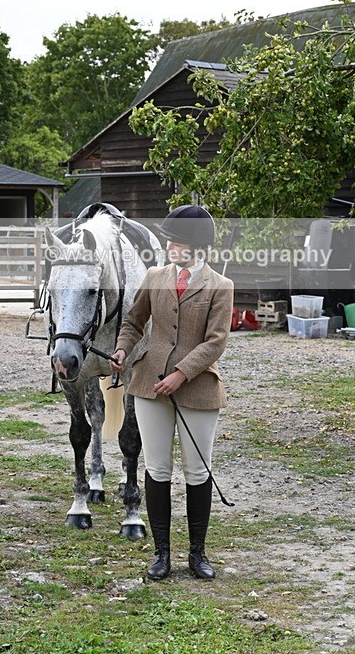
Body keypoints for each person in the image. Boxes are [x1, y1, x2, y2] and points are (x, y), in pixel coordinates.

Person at [110, 205, 234, 580]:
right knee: (157, 468)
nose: (169, 244)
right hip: (148, 383)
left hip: (198, 388)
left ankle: (197, 554)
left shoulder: (220, 287)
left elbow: (215, 342)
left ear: (196, 247)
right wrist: (122, 349)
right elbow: (134, 321)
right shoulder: (155, 276)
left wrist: (181, 374)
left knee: (197, 471)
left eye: (176, 240)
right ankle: (162, 553)